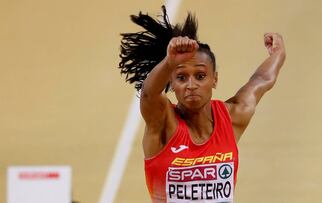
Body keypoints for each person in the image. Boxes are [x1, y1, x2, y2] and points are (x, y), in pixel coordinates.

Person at [119, 6, 286, 203]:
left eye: (200, 76)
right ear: (171, 84)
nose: (191, 85)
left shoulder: (232, 118)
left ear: (214, 79)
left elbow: (260, 81)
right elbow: (148, 95)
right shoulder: (164, 124)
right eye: (181, 77)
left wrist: (278, 54)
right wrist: (169, 62)